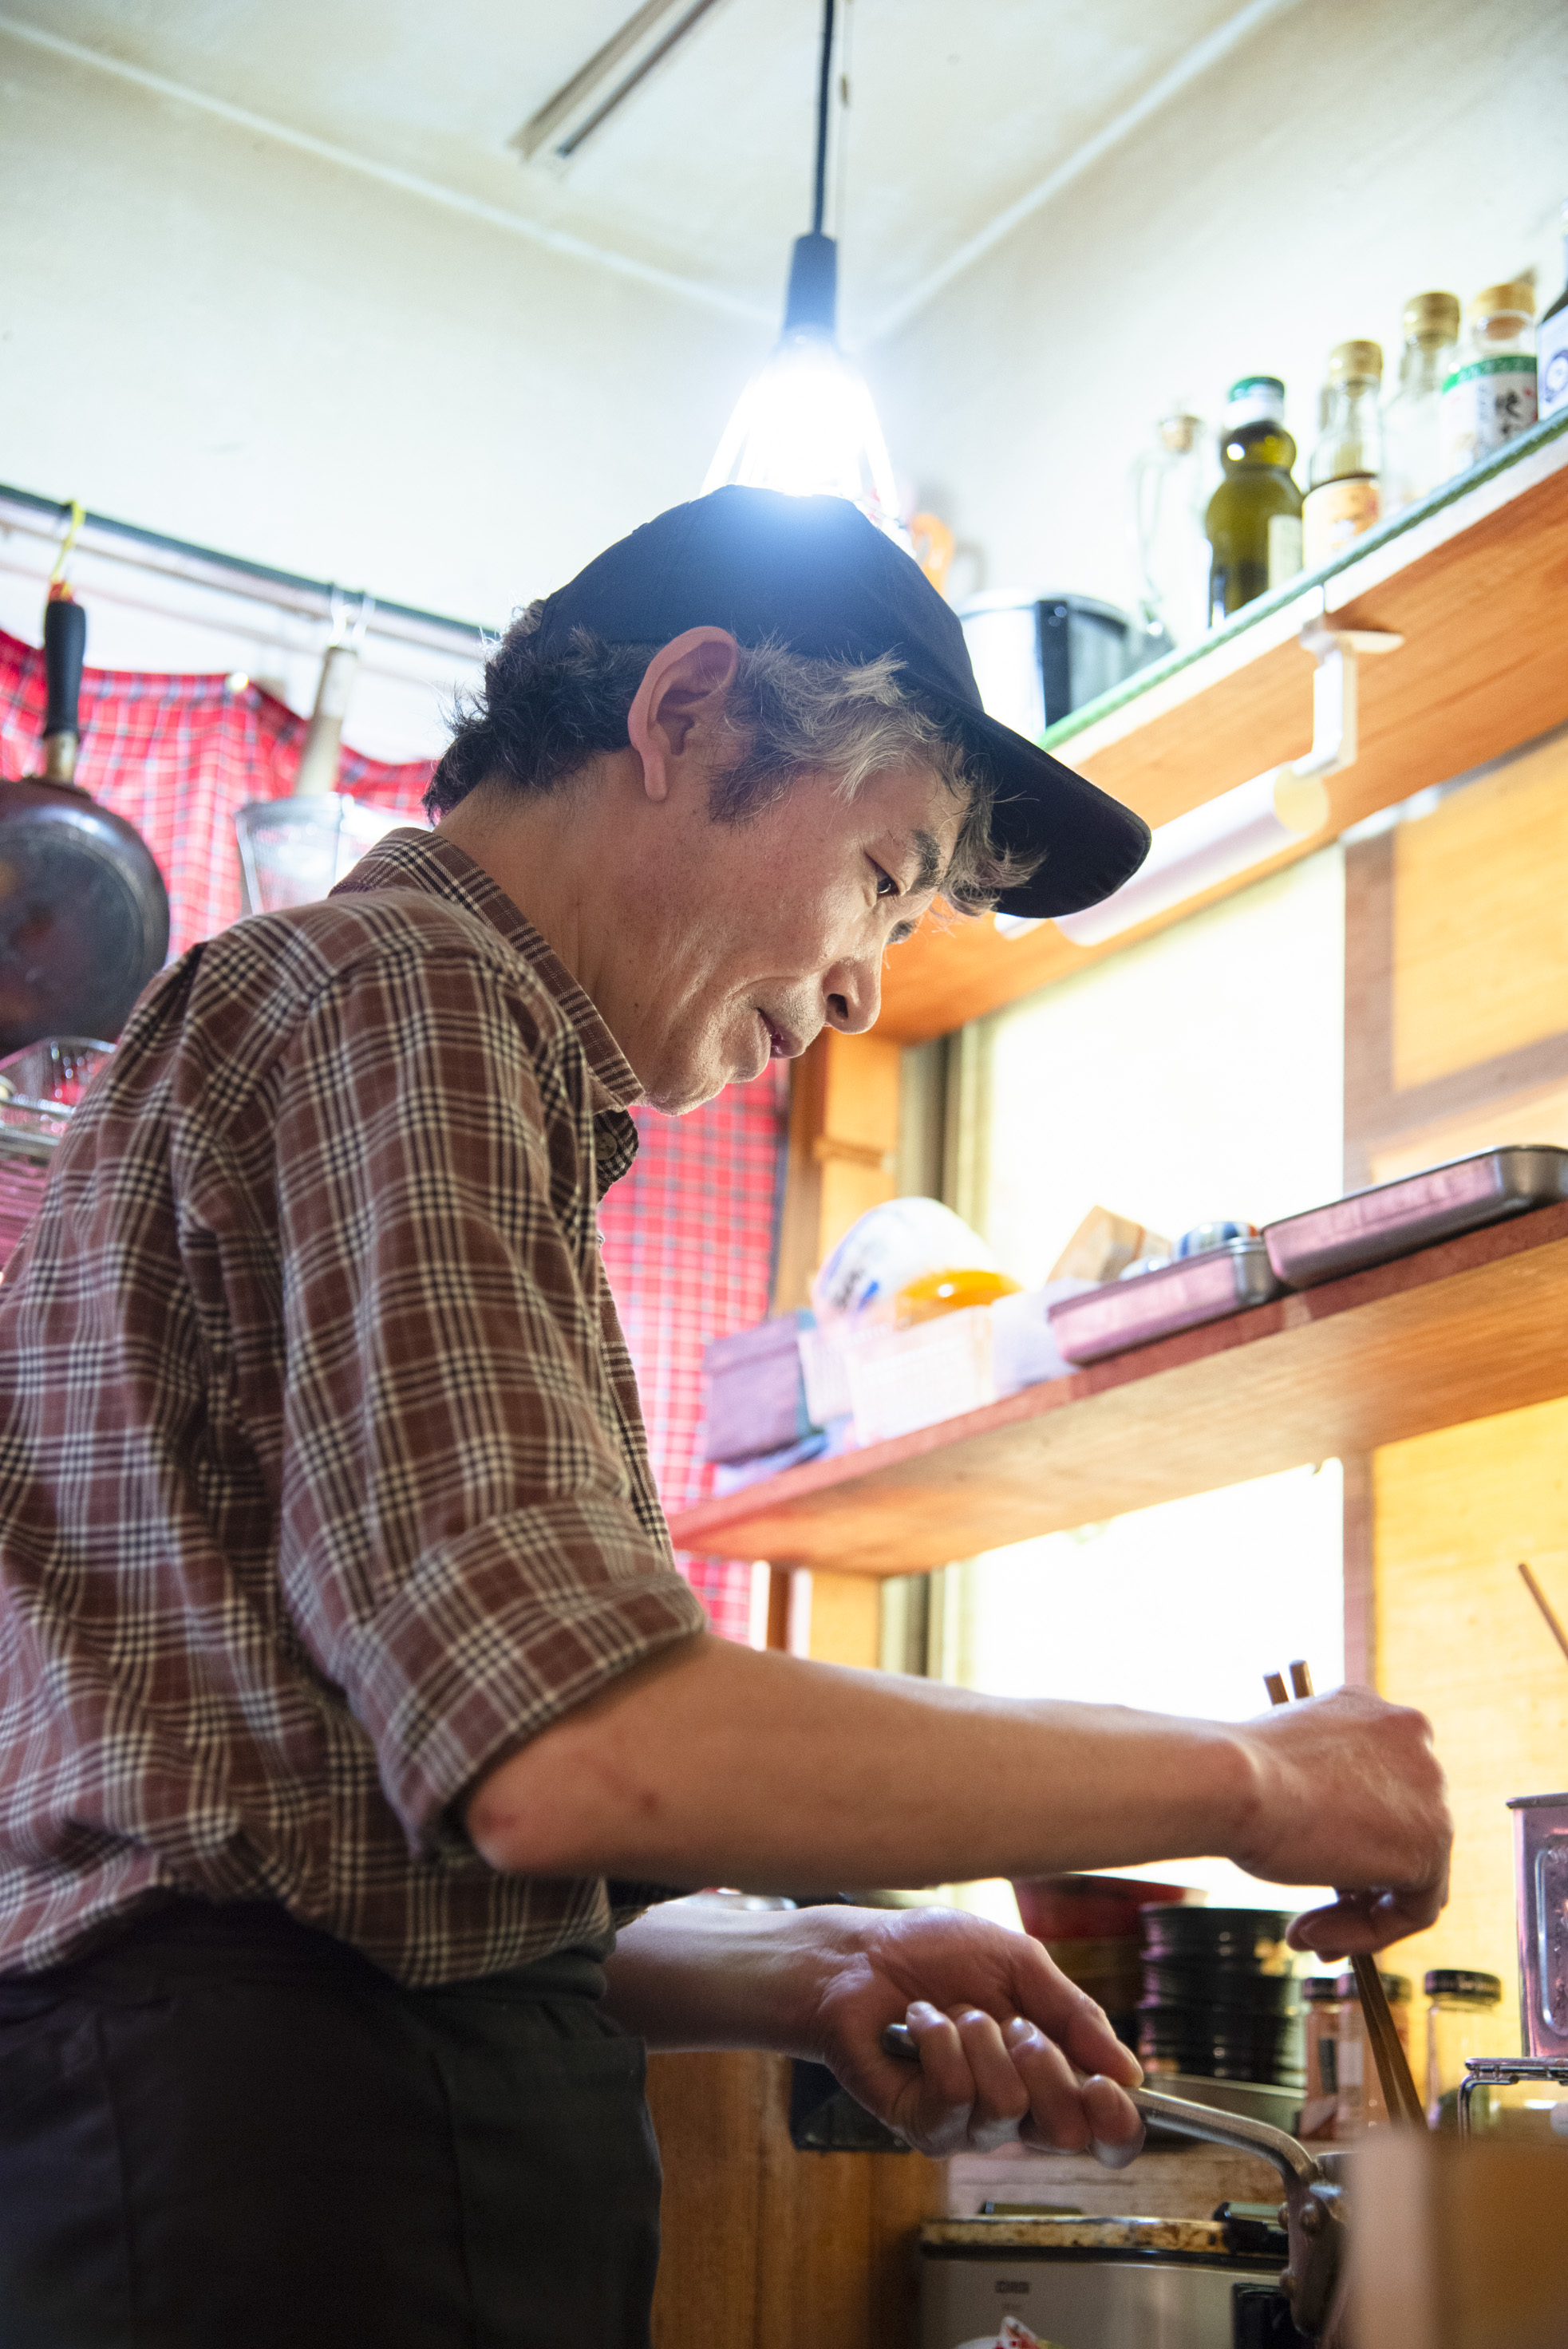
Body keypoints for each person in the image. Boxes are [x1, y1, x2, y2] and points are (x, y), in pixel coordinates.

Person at [0, 488, 1448, 2347]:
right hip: (296, 2191)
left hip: (223, 2159)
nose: (861, 982)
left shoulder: (350, 1032)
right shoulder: (409, 998)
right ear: (685, 716)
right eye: (881, 873)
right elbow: (573, 1748)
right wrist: (1252, 1775)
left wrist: (803, 1957)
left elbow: (354, 1847)